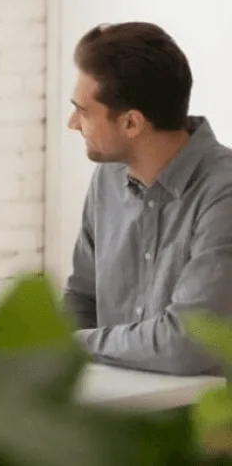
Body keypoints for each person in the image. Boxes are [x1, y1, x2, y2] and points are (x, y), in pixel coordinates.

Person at [62, 22, 232, 376]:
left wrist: (76, 345)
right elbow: (82, 297)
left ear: (131, 124)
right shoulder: (107, 179)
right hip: (120, 409)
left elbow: (185, 344)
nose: (72, 122)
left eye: (83, 110)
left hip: (202, 424)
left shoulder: (223, 192)